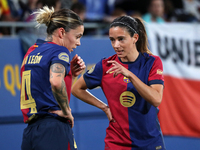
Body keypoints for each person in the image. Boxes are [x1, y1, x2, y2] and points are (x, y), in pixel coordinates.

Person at [72, 15, 166, 149]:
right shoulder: (105, 66)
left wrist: (130, 75)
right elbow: (76, 89)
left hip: (150, 142)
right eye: (112, 40)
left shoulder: (152, 62)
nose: (116, 45)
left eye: (121, 39)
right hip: (117, 143)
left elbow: (156, 99)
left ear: (135, 38)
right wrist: (104, 107)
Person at [20, 6, 85, 150]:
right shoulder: (60, 50)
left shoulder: (32, 51)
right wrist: (67, 111)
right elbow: (55, 82)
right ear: (62, 32)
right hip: (53, 129)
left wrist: (71, 75)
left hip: (31, 132)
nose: (78, 43)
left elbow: (44, 88)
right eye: (77, 36)